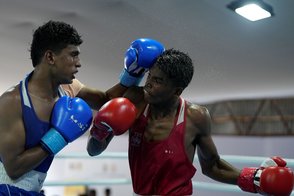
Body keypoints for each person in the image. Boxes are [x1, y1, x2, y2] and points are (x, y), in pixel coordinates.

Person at [87, 48, 294, 195]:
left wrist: (254, 180)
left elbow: (212, 166)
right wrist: (100, 130)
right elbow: (93, 151)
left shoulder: (196, 116)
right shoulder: (135, 100)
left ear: (177, 90)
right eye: (150, 76)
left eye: (158, 81)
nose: (148, 84)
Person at [0, 20, 164, 195]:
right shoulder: (13, 101)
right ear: (50, 57)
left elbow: (106, 101)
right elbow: (14, 169)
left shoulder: (67, 89)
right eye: (73, 55)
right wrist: (59, 136)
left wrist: (132, 73)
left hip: (34, 190)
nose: (78, 63)